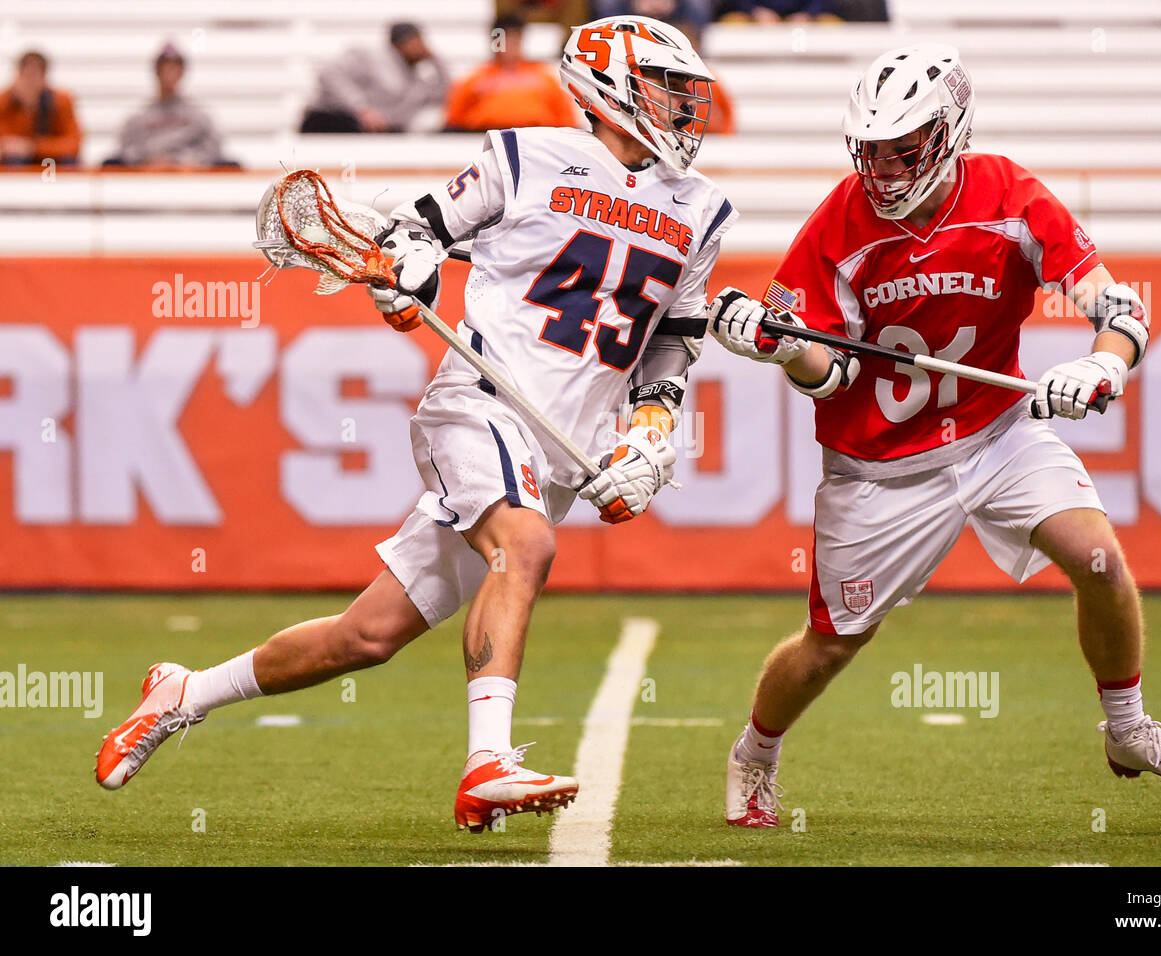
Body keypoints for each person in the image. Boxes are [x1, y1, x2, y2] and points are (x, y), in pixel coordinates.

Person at [96, 15, 736, 835]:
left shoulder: (705, 210)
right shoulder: (525, 156)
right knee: (527, 547)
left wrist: (652, 432)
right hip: (478, 404)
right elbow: (422, 231)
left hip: (559, 450)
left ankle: (184, 692)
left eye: (689, 92)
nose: (686, 107)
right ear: (611, 87)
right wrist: (410, 276)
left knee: (365, 636)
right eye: (669, 88)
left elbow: (673, 336)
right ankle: (487, 764)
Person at [706, 45, 1161, 828]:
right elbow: (834, 377)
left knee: (1098, 557)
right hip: (880, 467)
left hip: (996, 432)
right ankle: (755, 755)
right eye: (870, 151)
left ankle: (1126, 727)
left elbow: (1121, 312)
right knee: (831, 648)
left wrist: (1100, 370)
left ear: (950, 133)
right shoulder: (839, 224)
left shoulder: (1008, 194)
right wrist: (779, 345)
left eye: (902, 150)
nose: (881, 170)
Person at [301, 22, 448, 133]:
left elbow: (442, 95)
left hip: (372, 131)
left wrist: (436, 60)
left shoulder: (415, 78)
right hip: (332, 119)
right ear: (402, 43)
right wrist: (361, 108)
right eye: (416, 41)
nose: (421, 46)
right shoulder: (370, 57)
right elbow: (329, 73)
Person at [442, 14, 577, 132]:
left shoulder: (544, 78)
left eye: (514, 38)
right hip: (483, 138)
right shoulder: (474, 79)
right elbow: (453, 122)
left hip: (536, 139)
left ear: (521, 40)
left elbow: (567, 121)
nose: (508, 44)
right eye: (503, 38)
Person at [105, 43, 229, 168]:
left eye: (175, 67)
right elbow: (127, 151)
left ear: (182, 72)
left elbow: (213, 150)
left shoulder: (199, 117)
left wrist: (182, 161)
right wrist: (148, 160)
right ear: (156, 71)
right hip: (146, 181)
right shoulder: (138, 119)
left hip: (189, 181)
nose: (170, 72)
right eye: (165, 66)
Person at [0, 50, 81, 166]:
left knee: (68, 161)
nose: (29, 82)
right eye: (26, 75)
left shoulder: (60, 101)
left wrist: (32, 147)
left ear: (44, 77)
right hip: (16, 162)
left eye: (34, 75)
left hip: (49, 159)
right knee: (13, 160)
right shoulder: (4, 101)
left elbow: (73, 144)